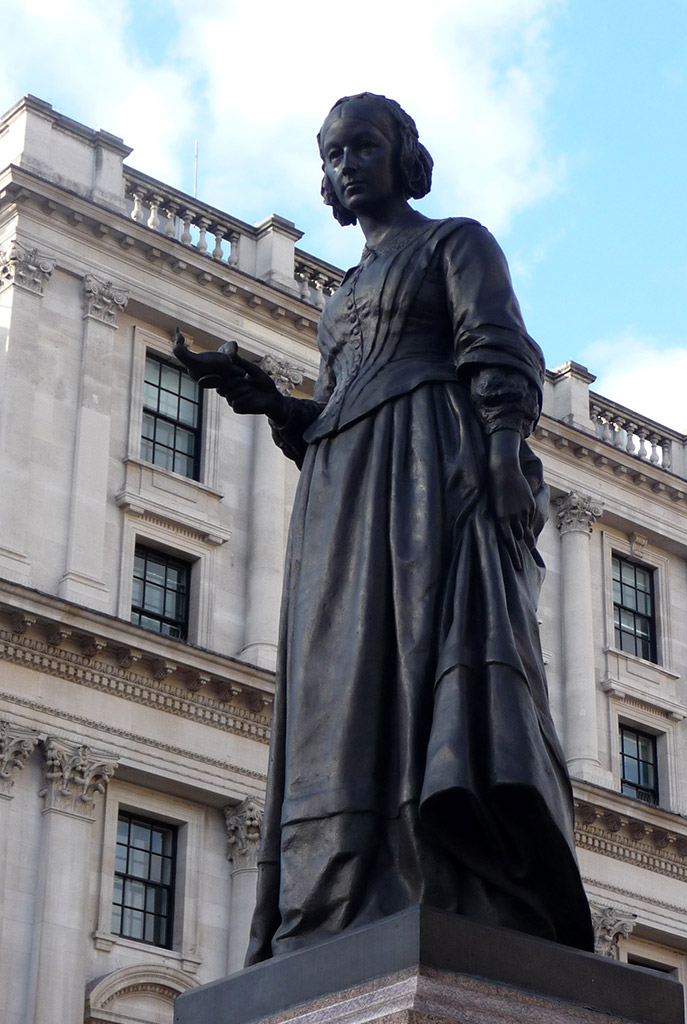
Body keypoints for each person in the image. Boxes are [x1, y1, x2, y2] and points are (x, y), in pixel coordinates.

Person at [175, 92, 594, 963]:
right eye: (331, 156)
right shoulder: (342, 298)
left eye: (362, 147)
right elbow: (335, 407)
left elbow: (499, 345)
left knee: (414, 658)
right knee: (341, 682)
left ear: (403, 156)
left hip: (431, 473)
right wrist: (265, 398)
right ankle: (344, 879)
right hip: (343, 489)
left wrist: (507, 451)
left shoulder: (455, 242)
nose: (345, 166)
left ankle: (430, 860)